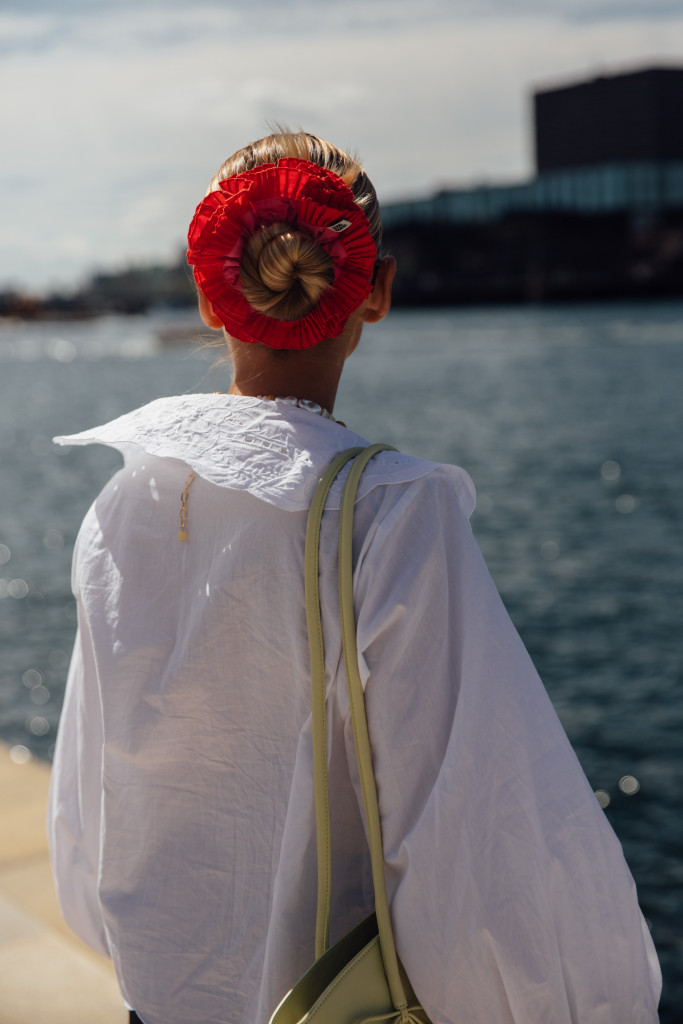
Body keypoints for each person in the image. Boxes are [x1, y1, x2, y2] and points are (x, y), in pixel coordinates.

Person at [48, 130, 661, 1024]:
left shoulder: (125, 497)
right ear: (375, 293)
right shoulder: (389, 510)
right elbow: (482, 834)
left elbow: (92, 787)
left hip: (160, 996)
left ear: (211, 298)